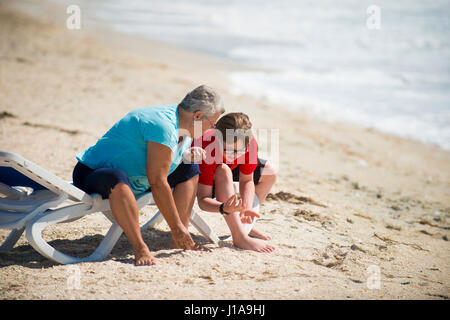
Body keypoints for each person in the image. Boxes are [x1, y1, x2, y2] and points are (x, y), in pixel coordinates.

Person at [72, 85, 224, 266]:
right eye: (212, 123)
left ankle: (181, 236)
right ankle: (140, 247)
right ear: (198, 116)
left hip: (137, 179)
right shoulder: (164, 126)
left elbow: (161, 160)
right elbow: (158, 182)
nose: (211, 129)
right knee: (117, 177)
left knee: (189, 169)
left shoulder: (183, 124)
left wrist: (185, 154)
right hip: (93, 173)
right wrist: (175, 227)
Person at [193, 112, 277, 253]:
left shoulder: (249, 144)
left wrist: (246, 206)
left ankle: (245, 222)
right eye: (227, 149)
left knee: (270, 172)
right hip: (197, 174)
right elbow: (202, 200)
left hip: (227, 168)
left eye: (238, 151)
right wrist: (223, 208)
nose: (232, 155)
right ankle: (239, 236)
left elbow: (247, 180)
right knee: (224, 169)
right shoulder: (208, 148)